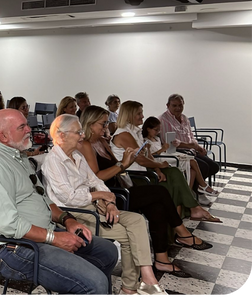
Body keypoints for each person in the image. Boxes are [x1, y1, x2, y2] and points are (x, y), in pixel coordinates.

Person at [0, 109, 118, 298]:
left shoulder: (18, 157)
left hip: (40, 234)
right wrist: (54, 238)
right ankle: (87, 286)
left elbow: (44, 199)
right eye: (22, 126)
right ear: (3, 136)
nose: (29, 130)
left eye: (26, 124)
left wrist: (68, 220)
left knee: (107, 251)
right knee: (95, 282)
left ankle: (78, 287)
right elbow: (6, 224)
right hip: (11, 248)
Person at [42, 114, 168, 298]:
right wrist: (101, 195)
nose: (82, 136)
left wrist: (109, 202)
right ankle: (130, 288)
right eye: (78, 132)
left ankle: (147, 277)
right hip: (74, 215)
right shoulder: (52, 161)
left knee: (137, 219)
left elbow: (96, 180)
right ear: (61, 135)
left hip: (95, 207)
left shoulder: (77, 155)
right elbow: (69, 198)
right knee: (127, 236)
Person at [79, 106, 212, 279]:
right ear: (90, 124)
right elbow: (97, 178)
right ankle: (182, 232)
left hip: (120, 189)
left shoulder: (102, 142)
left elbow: (117, 168)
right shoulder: (87, 145)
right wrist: (122, 164)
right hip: (109, 197)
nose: (105, 128)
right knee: (159, 192)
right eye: (102, 125)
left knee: (157, 206)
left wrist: (126, 162)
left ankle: (162, 259)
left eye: (105, 124)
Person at [111, 100, 221, 223]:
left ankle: (190, 210)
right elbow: (141, 160)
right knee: (173, 179)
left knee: (175, 172)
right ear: (129, 115)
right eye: (139, 113)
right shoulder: (124, 134)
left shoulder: (134, 131)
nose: (142, 116)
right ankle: (187, 212)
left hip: (145, 171)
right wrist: (159, 165)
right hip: (135, 176)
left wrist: (158, 169)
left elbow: (146, 155)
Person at [158, 94, 221, 193]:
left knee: (214, 166)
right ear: (167, 105)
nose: (178, 108)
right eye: (174, 106)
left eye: (180, 105)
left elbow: (191, 136)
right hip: (176, 152)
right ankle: (196, 192)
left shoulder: (184, 118)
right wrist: (192, 146)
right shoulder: (164, 120)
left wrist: (198, 147)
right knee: (203, 167)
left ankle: (197, 189)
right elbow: (170, 143)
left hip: (191, 150)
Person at [143, 116, 218, 197]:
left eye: (159, 130)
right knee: (192, 161)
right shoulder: (145, 141)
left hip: (166, 156)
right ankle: (203, 185)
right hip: (160, 160)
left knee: (192, 171)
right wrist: (162, 149)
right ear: (148, 129)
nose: (158, 132)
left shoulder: (157, 138)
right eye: (156, 130)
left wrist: (167, 148)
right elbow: (150, 156)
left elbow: (162, 150)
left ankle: (188, 194)